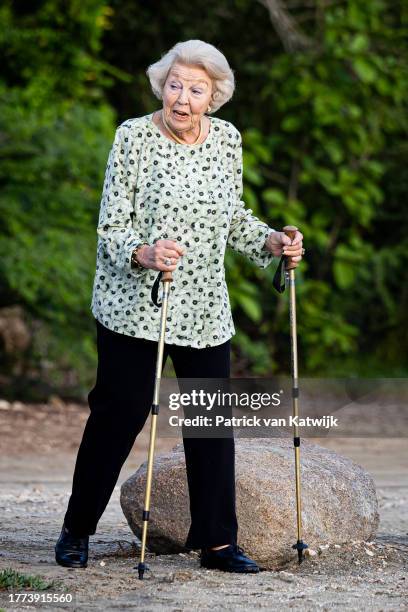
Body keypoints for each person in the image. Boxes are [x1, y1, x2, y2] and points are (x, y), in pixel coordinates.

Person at [55, 39, 304, 573]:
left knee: (210, 420)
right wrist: (144, 253)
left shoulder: (227, 141)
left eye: (196, 89)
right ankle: (77, 528)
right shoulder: (133, 138)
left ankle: (216, 542)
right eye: (175, 85)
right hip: (134, 303)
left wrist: (272, 243)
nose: (183, 98)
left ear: (213, 96)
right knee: (117, 417)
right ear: (161, 86)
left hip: (204, 305)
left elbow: (232, 217)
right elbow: (110, 228)